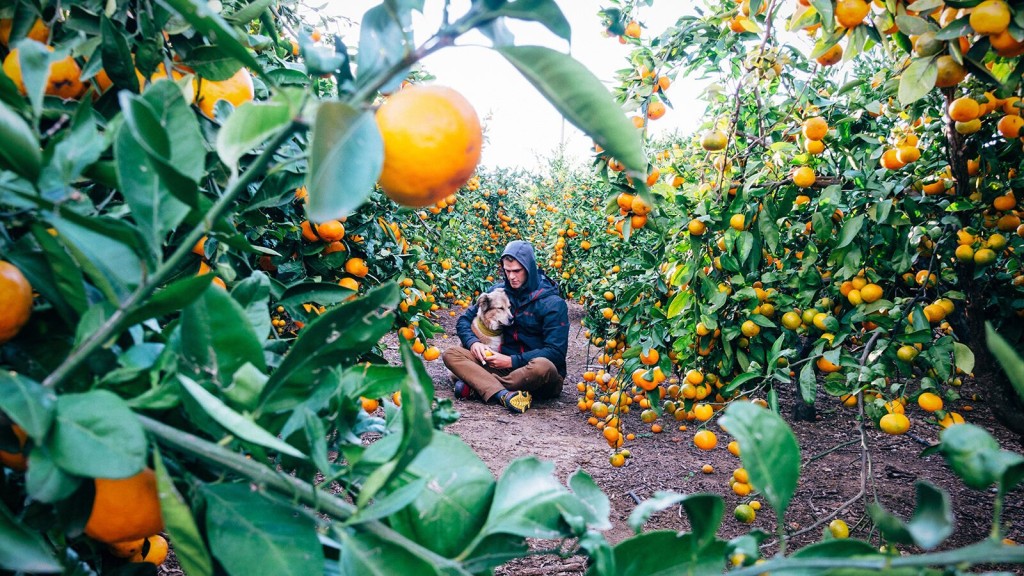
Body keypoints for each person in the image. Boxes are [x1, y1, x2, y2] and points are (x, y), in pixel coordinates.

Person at [443, 240, 569, 413]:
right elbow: (464, 320)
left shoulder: (553, 303)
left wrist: (512, 360)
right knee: (451, 354)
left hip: (534, 373)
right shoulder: (499, 292)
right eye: (507, 271)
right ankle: (504, 394)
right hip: (502, 367)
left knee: (543, 366)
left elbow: (556, 352)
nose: (511, 277)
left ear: (529, 269)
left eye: (516, 271)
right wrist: (474, 343)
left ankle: (481, 385)